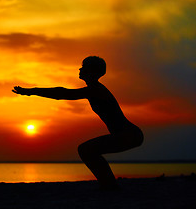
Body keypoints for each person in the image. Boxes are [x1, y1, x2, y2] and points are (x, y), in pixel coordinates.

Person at [12, 56, 143, 190]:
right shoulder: (93, 89)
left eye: (84, 66)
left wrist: (32, 91)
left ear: (92, 71)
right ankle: (109, 184)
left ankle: (109, 185)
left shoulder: (96, 89)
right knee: (88, 150)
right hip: (128, 134)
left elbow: (62, 93)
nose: (80, 68)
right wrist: (32, 92)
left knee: (86, 150)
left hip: (129, 134)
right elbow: (62, 92)